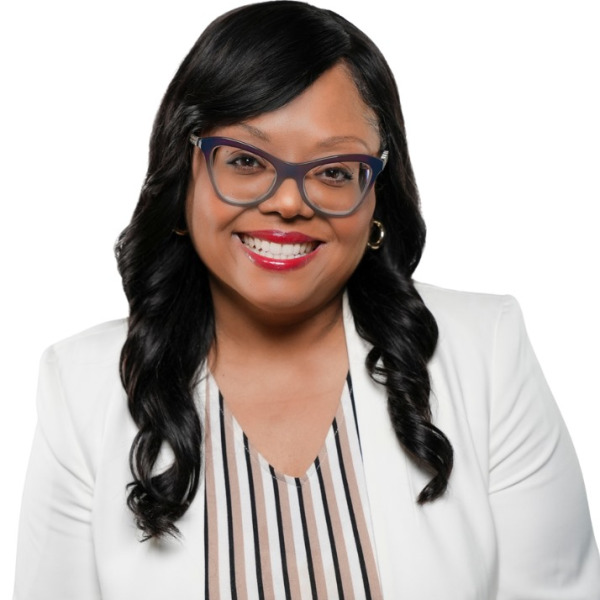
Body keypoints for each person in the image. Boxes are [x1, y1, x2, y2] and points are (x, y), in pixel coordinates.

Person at [13, 1, 600, 598]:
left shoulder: (489, 352)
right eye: (245, 160)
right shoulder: (80, 386)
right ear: (183, 172)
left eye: (335, 171)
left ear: (376, 195)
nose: (289, 202)